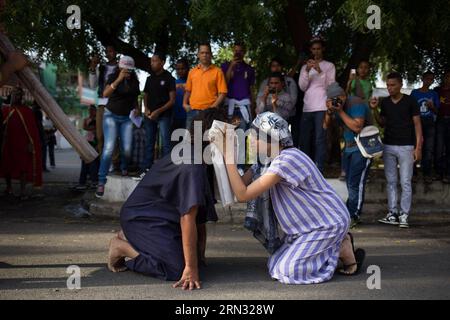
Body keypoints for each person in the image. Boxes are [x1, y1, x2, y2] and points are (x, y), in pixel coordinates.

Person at [215, 111, 365, 284]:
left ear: (271, 138)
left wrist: (228, 157)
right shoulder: (266, 161)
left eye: (256, 136)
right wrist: (227, 150)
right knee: (274, 264)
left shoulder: (288, 159)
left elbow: (243, 195)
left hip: (327, 222)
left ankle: (338, 248)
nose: (252, 141)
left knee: (288, 272)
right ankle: (337, 244)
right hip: (307, 227)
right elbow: (240, 186)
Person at [107, 108, 225, 290]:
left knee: (190, 261)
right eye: (229, 136)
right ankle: (121, 247)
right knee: (176, 269)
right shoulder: (191, 163)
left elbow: (199, 216)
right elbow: (188, 218)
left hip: (163, 220)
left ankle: (136, 239)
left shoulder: (200, 157)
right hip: (142, 218)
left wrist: (199, 258)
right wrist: (190, 268)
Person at [370, 72, 423, 229]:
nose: (389, 88)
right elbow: (382, 123)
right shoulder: (385, 103)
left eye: (393, 85)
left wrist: (418, 147)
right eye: (387, 85)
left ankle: (404, 215)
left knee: (405, 182)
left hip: (407, 146)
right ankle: (392, 213)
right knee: (391, 181)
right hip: (388, 145)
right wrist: (373, 110)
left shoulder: (410, 101)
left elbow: (418, 125)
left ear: (400, 85)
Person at [324, 83, 373, 229]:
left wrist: (339, 112)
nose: (336, 102)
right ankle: (349, 213)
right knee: (349, 182)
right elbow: (325, 127)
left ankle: (354, 215)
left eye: (337, 98)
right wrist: (328, 112)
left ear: (344, 96)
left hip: (363, 148)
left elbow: (357, 127)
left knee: (356, 183)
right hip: (348, 149)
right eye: (332, 99)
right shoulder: (336, 107)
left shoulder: (356, 103)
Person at [96, 56, 140, 198]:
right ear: (120, 67)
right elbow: (105, 93)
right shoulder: (113, 77)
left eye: (130, 70)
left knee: (127, 147)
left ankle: (124, 168)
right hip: (111, 115)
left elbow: (134, 98)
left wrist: (137, 108)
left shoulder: (134, 80)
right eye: (125, 69)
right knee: (108, 148)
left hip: (127, 117)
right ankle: (101, 182)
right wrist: (119, 79)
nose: (128, 72)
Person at [298, 38, 336, 173]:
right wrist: (307, 71)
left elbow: (330, 87)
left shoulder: (329, 66)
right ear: (310, 50)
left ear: (323, 49)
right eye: (313, 49)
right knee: (305, 139)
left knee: (320, 139)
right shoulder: (305, 67)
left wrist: (319, 71)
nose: (316, 51)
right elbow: (302, 87)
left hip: (322, 107)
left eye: (318, 49)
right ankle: (305, 168)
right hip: (307, 107)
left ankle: (319, 168)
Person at [0, 87, 42, 199]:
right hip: (8, 144)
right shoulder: (4, 110)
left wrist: (30, 143)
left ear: (21, 97)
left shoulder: (27, 111)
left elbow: (32, 130)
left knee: (23, 168)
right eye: (14, 94)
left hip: (22, 145)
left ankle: (22, 191)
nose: (16, 96)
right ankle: (9, 188)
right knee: (7, 166)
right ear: (11, 95)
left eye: (19, 94)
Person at [183, 43, 228, 130]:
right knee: (192, 141)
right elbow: (188, 90)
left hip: (210, 113)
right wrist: (184, 104)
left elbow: (223, 93)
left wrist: (213, 107)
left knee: (209, 141)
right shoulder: (192, 72)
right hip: (193, 111)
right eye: (202, 53)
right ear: (198, 55)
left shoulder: (217, 72)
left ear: (211, 55)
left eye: (207, 53)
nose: (204, 55)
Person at [88, 46, 119, 155]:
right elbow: (93, 85)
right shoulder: (101, 68)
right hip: (102, 104)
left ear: (116, 52)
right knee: (100, 135)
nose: (108, 53)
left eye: (111, 51)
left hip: (115, 105)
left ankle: (115, 163)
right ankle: (103, 162)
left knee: (113, 135)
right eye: (107, 51)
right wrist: (93, 66)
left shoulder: (121, 68)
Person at [411, 71, 440, 184]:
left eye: (431, 79)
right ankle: (413, 173)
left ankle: (426, 173)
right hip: (416, 122)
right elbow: (409, 109)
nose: (429, 81)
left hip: (429, 124)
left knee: (428, 149)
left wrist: (432, 107)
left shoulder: (434, 94)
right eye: (427, 78)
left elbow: (437, 111)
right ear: (422, 79)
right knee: (414, 147)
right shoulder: (415, 93)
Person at [75, 105, 99, 190]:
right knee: (85, 162)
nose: (91, 112)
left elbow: (94, 129)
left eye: (92, 110)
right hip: (87, 142)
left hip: (95, 143)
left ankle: (93, 181)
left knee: (94, 163)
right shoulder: (87, 119)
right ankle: (83, 181)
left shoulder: (98, 120)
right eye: (90, 110)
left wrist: (92, 128)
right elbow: (85, 127)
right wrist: (92, 128)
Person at [434, 70, 450, 184]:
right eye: (447, 76)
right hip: (439, 120)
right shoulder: (437, 90)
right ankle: (438, 172)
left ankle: (447, 174)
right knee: (439, 147)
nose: (448, 79)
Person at [172, 58, 189, 133]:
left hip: (189, 116)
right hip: (175, 117)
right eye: (178, 69)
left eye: (182, 68)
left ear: (187, 68)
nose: (180, 71)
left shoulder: (192, 81)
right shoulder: (173, 83)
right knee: (176, 143)